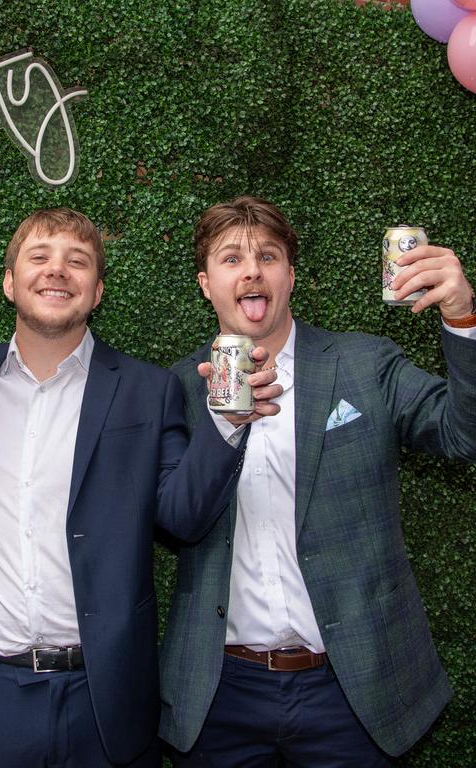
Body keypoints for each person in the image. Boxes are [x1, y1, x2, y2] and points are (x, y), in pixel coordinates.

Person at [0, 207, 280, 767]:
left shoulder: (147, 390)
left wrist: (226, 423)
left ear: (97, 291)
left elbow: (183, 519)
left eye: (76, 261)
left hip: (103, 700)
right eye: (39, 257)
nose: (57, 271)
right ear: (9, 282)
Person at [160, 196, 476, 766]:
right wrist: (222, 424)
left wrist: (461, 316)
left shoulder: (364, 364)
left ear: (291, 277)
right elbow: (177, 521)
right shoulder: (175, 391)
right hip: (221, 693)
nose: (252, 269)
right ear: (206, 285)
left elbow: (464, 434)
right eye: (232, 258)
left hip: (353, 685)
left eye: (269, 256)